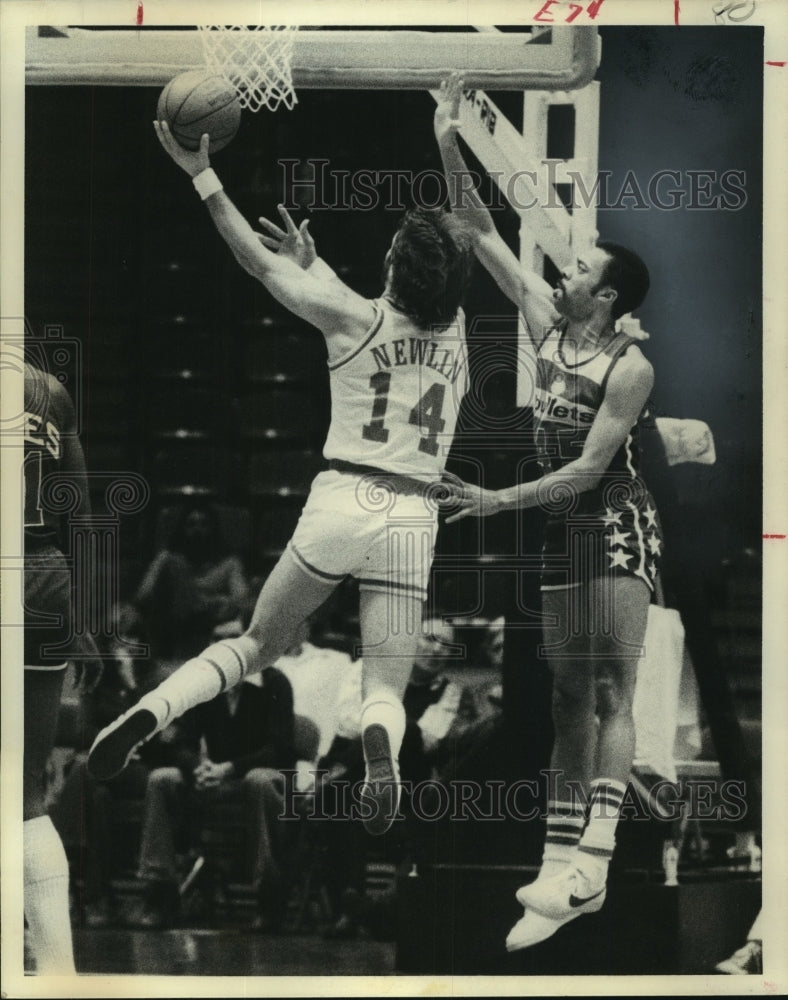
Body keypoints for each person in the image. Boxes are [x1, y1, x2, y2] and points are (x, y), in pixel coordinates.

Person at [88, 120, 475, 844]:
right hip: (415, 513)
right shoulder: (456, 330)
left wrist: (201, 173)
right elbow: (461, 236)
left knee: (258, 644)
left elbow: (257, 264)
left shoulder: (352, 319)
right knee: (386, 684)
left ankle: (146, 715)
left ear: (392, 270)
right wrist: (319, 262)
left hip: (344, 497)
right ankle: (380, 745)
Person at [433, 74, 662, 949]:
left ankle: (595, 859)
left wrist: (492, 500)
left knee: (610, 688)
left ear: (608, 300)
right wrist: (449, 136)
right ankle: (557, 859)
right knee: (567, 695)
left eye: (579, 272)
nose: (562, 275)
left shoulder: (629, 371)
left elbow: (587, 474)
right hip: (561, 528)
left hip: (612, 517)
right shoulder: (543, 323)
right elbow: (477, 229)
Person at [131, 664, 296, 931]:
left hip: (256, 776)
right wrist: (197, 767)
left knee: (261, 781)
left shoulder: (275, 683)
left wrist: (229, 768)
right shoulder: (208, 683)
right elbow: (181, 741)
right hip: (215, 776)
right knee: (162, 779)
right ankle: (160, 891)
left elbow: (281, 748)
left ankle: (269, 896)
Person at [22, 361, 94, 975]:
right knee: (27, 793)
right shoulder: (51, 390)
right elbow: (83, 510)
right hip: (45, 575)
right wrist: (88, 617)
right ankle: (57, 969)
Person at [133, 503, 250, 662]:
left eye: (204, 524)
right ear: (182, 528)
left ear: (213, 528)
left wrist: (210, 604)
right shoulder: (167, 559)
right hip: (170, 624)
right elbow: (143, 595)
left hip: (208, 625)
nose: (197, 530)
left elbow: (240, 600)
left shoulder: (229, 563)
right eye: (191, 524)